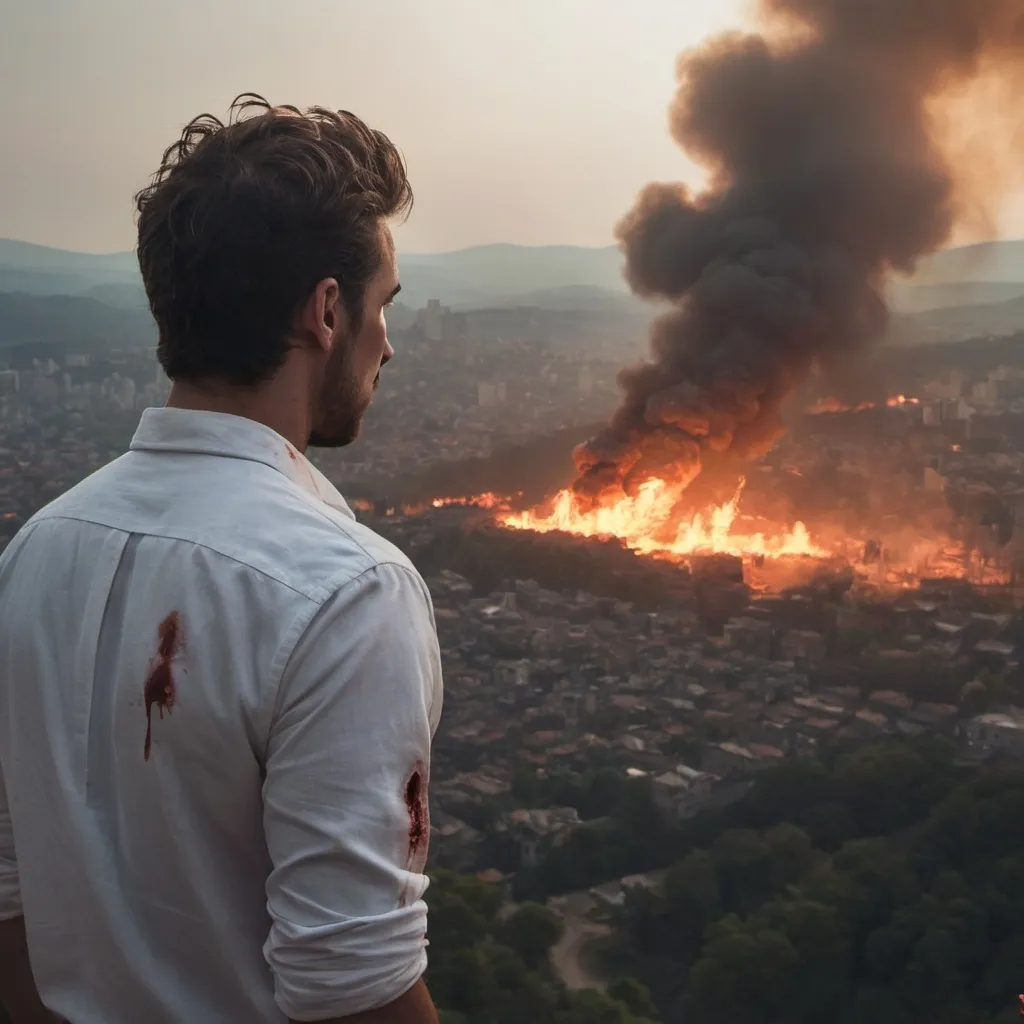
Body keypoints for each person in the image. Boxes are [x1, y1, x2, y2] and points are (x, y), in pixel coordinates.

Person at [0, 95, 443, 1023]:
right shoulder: (347, 593)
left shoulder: (35, 552)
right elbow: (358, 992)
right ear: (328, 310)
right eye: (383, 307)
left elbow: (18, 910)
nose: (388, 343)